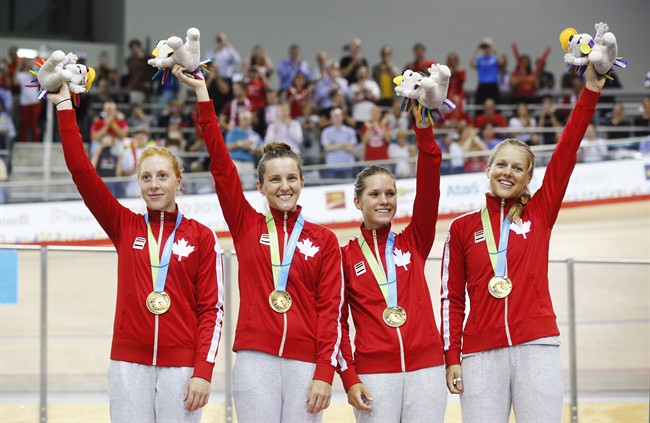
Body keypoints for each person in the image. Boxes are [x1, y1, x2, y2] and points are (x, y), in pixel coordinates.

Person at [174, 64, 344, 422]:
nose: (285, 186)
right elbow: (221, 167)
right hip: (255, 360)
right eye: (275, 179)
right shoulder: (246, 224)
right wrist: (203, 95)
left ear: (301, 182)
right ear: (260, 187)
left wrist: (325, 373)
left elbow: (330, 312)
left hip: (305, 363)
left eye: (292, 178)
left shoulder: (325, 240)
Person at [49, 82, 224, 422]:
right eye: (146, 177)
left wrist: (203, 369)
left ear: (178, 181)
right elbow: (82, 172)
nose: (154, 185)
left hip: (182, 367)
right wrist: (63, 107)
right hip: (128, 366)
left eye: (162, 176)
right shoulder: (124, 225)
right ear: (139, 183)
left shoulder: (201, 237)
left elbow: (211, 311)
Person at [440, 63, 605, 421]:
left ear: (528, 177)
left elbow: (566, 151)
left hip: (537, 346)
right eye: (501, 165)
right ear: (487, 168)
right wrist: (452, 356)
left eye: (518, 168)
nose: (508, 173)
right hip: (481, 353)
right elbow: (451, 299)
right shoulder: (462, 228)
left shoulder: (539, 213)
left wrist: (590, 89)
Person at [337, 98, 446, 422]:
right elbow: (337, 324)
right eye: (375, 194)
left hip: (426, 369)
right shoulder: (344, 257)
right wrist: (350, 376)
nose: (384, 201)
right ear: (358, 201)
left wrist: (423, 129)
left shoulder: (414, 241)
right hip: (374, 374)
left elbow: (430, 187)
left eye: (390, 193)